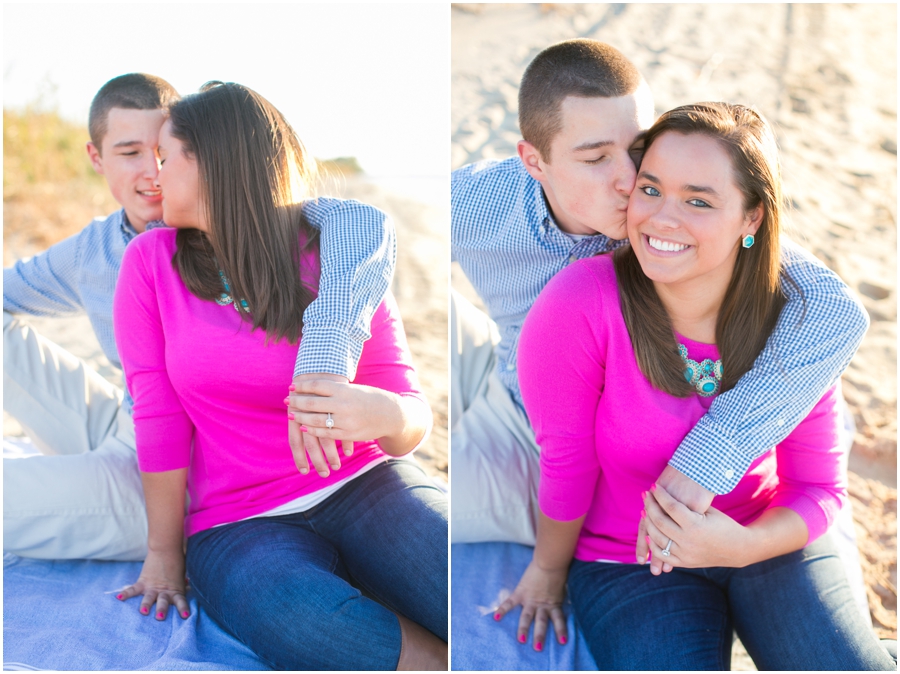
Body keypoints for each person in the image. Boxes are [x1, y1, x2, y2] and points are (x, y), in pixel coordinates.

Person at [494, 102, 895, 670]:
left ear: (751, 218)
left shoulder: (799, 320)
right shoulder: (579, 305)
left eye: (699, 201)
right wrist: (548, 570)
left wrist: (744, 546)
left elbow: (818, 487)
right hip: (629, 562)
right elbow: (567, 461)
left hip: (766, 536)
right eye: (651, 189)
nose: (661, 218)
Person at [450, 39, 868, 556]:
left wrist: (711, 457)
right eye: (597, 158)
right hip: (512, 385)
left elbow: (835, 309)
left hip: (590, 419)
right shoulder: (475, 203)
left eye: (637, 149)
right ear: (535, 162)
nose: (632, 182)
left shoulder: (665, 211)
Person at [112, 82, 448, 670]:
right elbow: (158, 416)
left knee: (454, 577)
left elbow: (410, 415)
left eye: (169, 157)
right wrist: (163, 554)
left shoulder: (337, 256)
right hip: (238, 521)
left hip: (367, 483)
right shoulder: (150, 265)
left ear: (215, 163)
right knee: (302, 618)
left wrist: (384, 413)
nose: (156, 175)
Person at [3, 73, 398, 561]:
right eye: (130, 153)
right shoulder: (95, 248)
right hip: (130, 419)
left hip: (184, 467)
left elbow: (355, 221)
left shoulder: (243, 231)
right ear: (96, 158)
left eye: (163, 153)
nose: (152, 172)